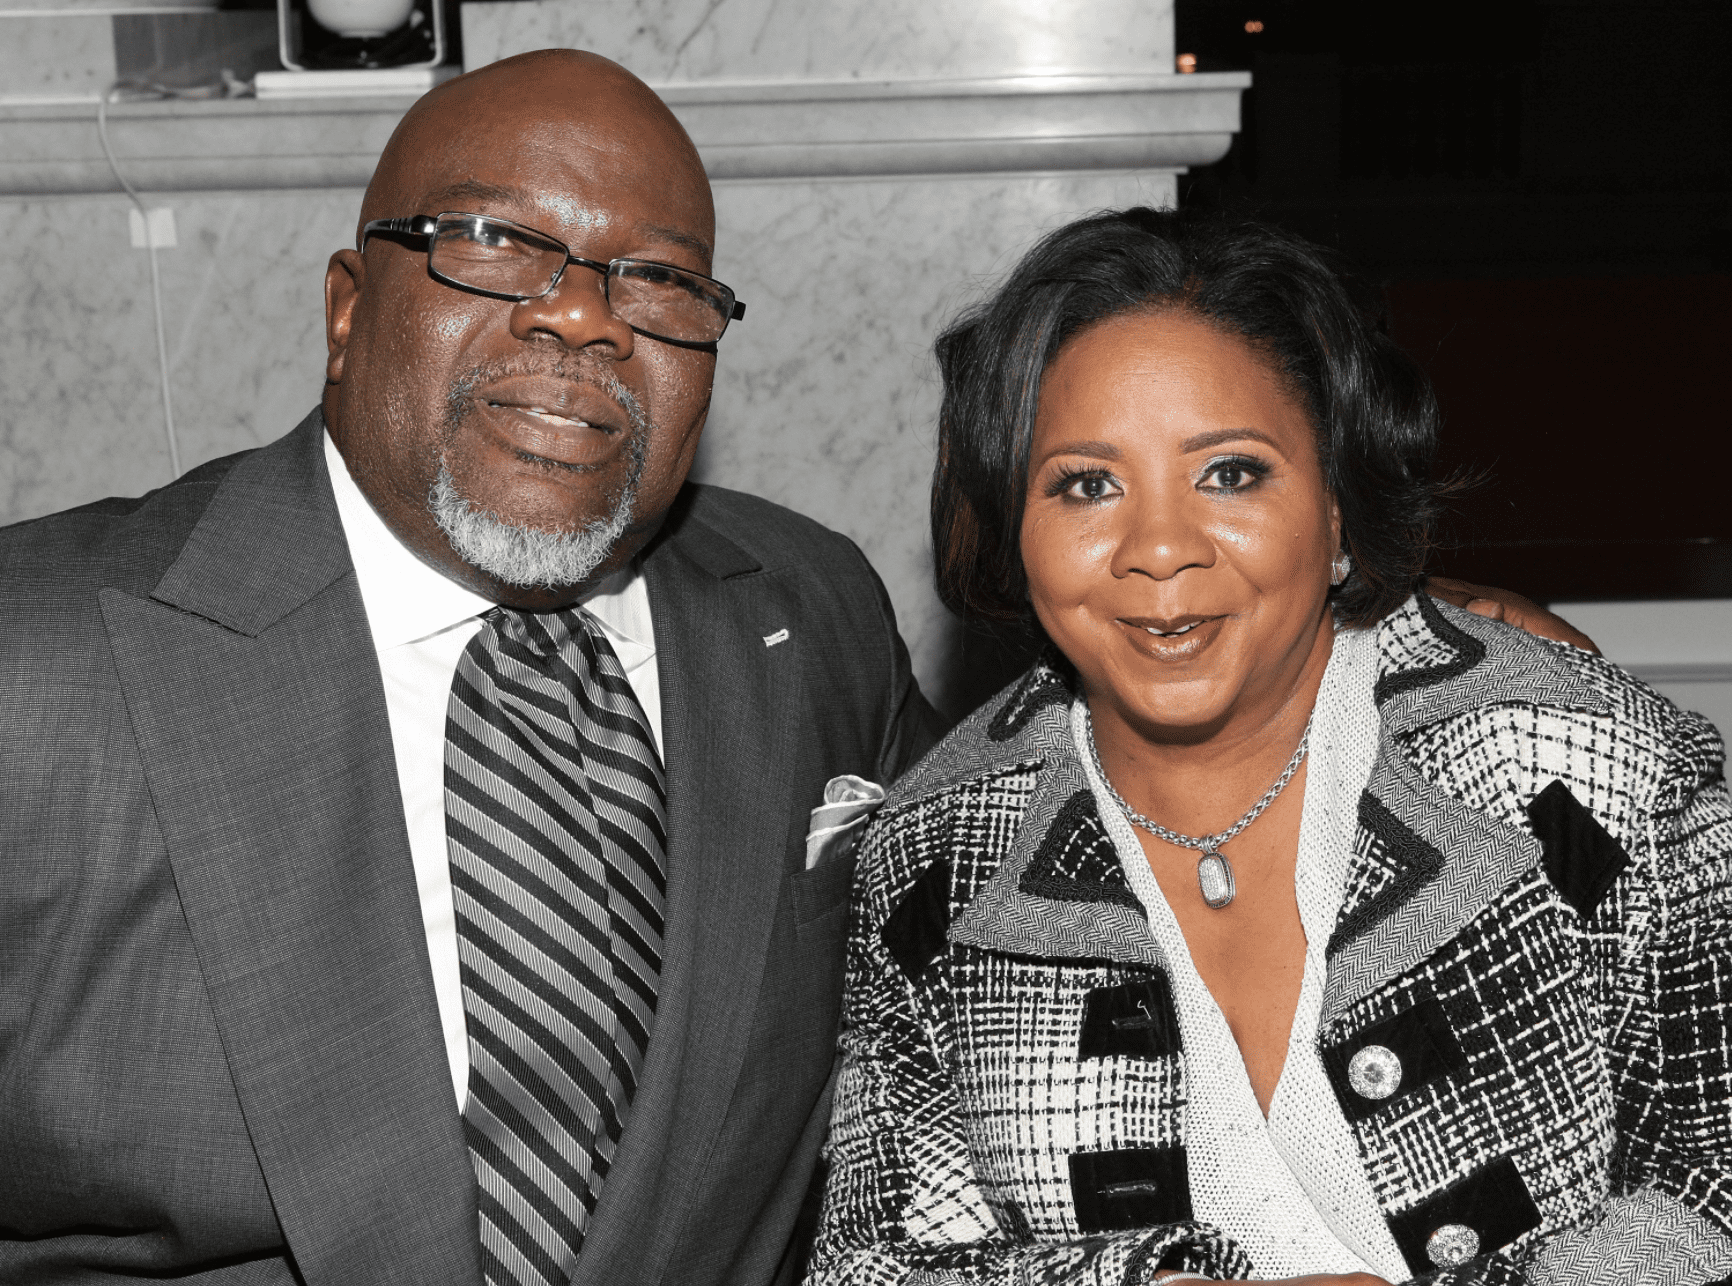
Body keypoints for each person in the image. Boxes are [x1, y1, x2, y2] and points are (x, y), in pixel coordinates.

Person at [0, 49, 942, 1286]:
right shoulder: (38, 655)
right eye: (495, 239)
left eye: (656, 278)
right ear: (348, 311)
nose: (582, 315)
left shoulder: (808, 607)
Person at [808, 209, 1732, 1285]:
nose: (1158, 548)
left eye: (1231, 472)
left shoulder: (1582, 771)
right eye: (1086, 483)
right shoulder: (936, 855)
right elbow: (875, 1264)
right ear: (1016, 534)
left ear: (1340, 508)